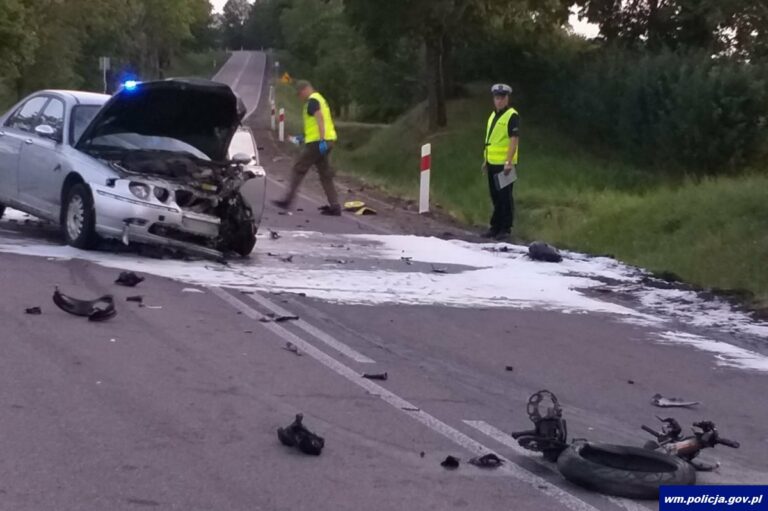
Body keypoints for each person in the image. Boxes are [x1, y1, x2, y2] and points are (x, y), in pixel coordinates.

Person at [273, 80, 341, 216]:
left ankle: (287, 200)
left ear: (305, 89)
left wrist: (321, 140)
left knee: (299, 168)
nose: (300, 97)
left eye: (300, 94)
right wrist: (302, 137)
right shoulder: (320, 99)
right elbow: (316, 125)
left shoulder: (312, 101)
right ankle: (335, 206)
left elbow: (320, 119)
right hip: (328, 140)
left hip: (318, 143)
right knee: (325, 174)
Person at [482, 83, 519, 241]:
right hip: (491, 162)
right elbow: (490, 139)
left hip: (504, 165)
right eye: (496, 98)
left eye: (502, 98)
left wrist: (508, 161)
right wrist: (485, 160)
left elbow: (514, 139)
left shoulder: (512, 115)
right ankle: (495, 226)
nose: (499, 101)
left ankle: (505, 228)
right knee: (495, 196)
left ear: (507, 98)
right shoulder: (493, 115)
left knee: (505, 196)